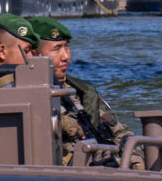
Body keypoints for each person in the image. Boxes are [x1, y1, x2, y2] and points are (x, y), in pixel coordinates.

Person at [30, 15, 132, 145]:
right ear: (34, 54)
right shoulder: (28, 93)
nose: (66, 56)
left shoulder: (83, 91)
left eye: (66, 47)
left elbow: (119, 132)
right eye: (57, 49)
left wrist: (135, 159)